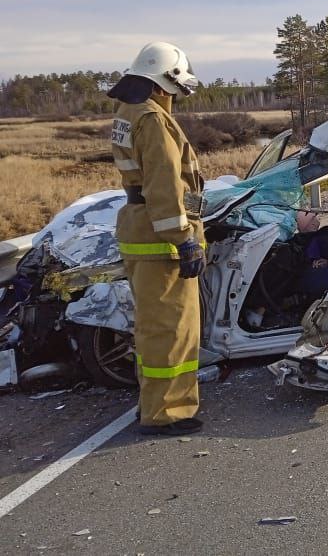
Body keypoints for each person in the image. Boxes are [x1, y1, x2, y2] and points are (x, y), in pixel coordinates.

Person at [107, 42, 206, 436]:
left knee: (152, 328)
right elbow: (164, 186)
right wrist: (183, 239)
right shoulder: (153, 119)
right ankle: (168, 413)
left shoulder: (128, 112)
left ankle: (154, 402)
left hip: (139, 231)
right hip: (160, 238)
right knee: (173, 329)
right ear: (164, 82)